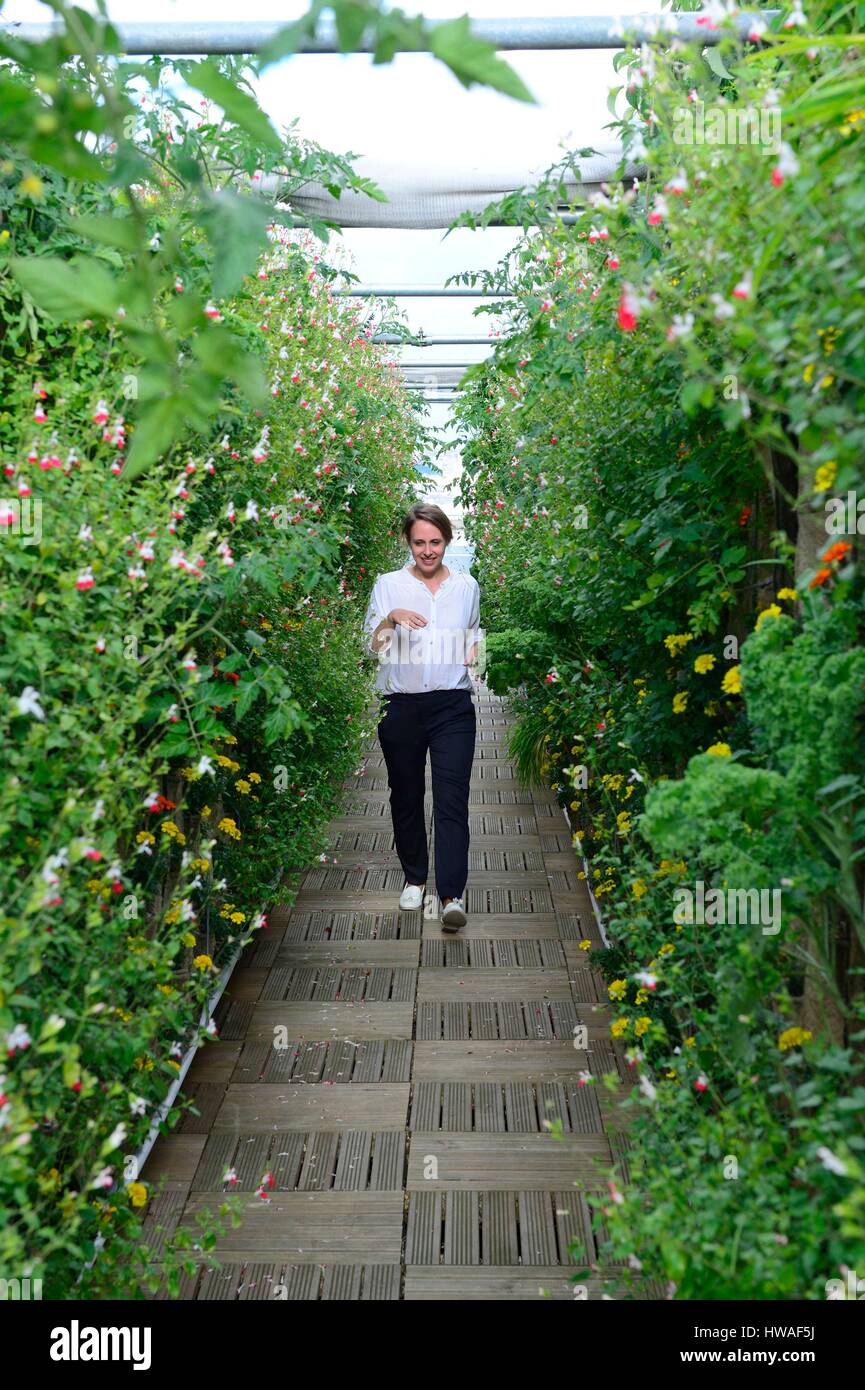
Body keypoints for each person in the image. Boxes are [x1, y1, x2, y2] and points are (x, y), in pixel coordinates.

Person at [363, 503, 481, 932]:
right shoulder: (388, 584)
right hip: (402, 707)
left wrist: (475, 655)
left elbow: (475, 632)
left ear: (447, 541)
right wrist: (391, 617)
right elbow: (372, 647)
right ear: (407, 543)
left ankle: (451, 895)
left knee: (452, 799)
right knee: (406, 794)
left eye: (435, 542)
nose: (427, 551)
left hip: (453, 706)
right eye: (419, 543)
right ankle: (414, 878)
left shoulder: (467, 586)